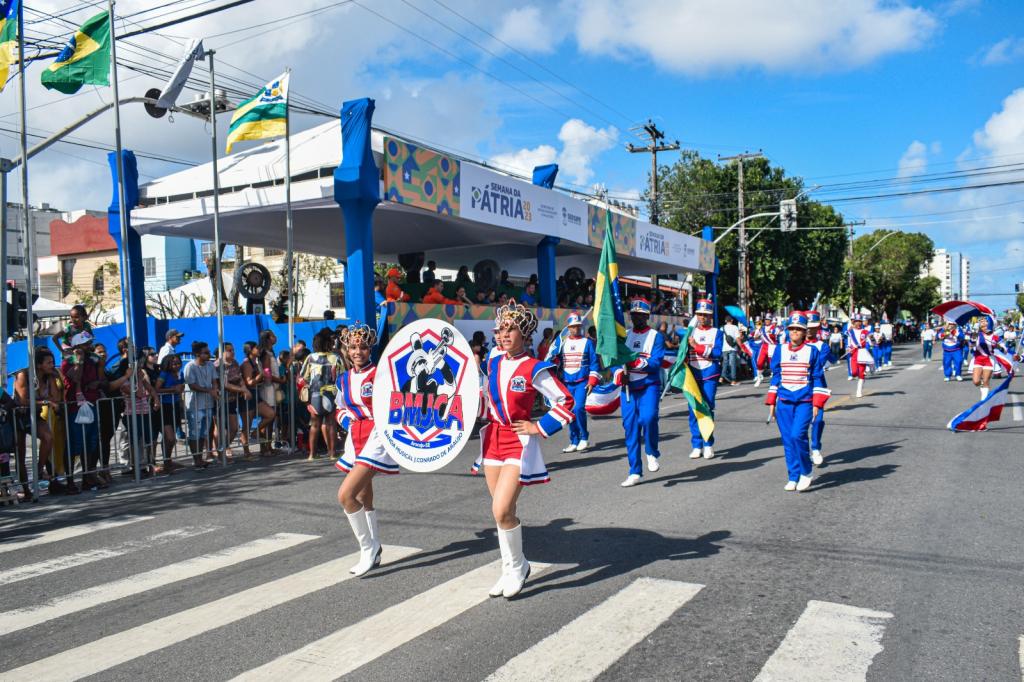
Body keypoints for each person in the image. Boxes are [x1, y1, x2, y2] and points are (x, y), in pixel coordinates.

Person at [480, 300, 574, 598]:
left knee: (501, 509)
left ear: (524, 334)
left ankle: (518, 566)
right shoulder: (493, 361)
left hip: (517, 441)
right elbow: (484, 397)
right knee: (501, 512)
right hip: (492, 438)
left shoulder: (535, 368)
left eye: (510, 330)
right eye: (500, 330)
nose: (503, 335)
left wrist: (539, 427)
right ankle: (510, 567)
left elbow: (566, 401)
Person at [334, 323, 394, 577]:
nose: (358, 352)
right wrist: (347, 421)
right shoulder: (343, 379)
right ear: (347, 350)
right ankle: (375, 546)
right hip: (355, 436)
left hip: (377, 435)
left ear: (370, 349)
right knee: (363, 496)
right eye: (353, 347)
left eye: (363, 347)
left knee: (345, 495)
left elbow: (395, 403)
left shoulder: (380, 375)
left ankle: (367, 547)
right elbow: (340, 409)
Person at [765, 312, 829, 492]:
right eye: (792, 328)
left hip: (804, 401)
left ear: (804, 332)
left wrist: (817, 403)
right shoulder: (779, 350)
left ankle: (806, 471)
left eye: (798, 329)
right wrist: (772, 400)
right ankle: (793, 476)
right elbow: (776, 376)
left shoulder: (812, 351)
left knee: (797, 435)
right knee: (787, 440)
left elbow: (817, 377)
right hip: (784, 401)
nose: (794, 332)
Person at [617, 298, 666, 487]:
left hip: (648, 385)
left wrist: (635, 362)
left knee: (648, 418)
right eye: (634, 314)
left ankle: (651, 451)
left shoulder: (656, 336)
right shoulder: (624, 336)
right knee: (630, 429)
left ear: (647, 316)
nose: (637, 317)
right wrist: (618, 373)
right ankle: (634, 471)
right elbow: (614, 359)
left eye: (641, 315)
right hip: (628, 388)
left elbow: (656, 362)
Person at [60, 331, 106, 494]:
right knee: (75, 444)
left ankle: (87, 478)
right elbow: (76, 378)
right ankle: (70, 481)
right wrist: (78, 361)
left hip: (91, 404)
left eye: (89, 344)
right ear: (77, 346)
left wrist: (96, 383)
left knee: (90, 442)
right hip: (75, 407)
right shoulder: (67, 362)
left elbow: (101, 380)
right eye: (86, 344)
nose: (89, 347)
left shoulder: (92, 361)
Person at [12, 349, 60, 499]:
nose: (52, 365)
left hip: (35, 414)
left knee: (48, 437)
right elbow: (22, 400)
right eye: (49, 363)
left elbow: (56, 398)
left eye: (53, 362)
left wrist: (54, 378)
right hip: (19, 416)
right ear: (39, 365)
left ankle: (39, 470)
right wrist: (45, 402)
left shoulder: (48, 377)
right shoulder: (23, 375)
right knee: (20, 454)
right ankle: (26, 489)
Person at [553, 314, 600, 453]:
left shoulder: (587, 342)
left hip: (582, 382)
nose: (576, 329)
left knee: (579, 408)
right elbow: (556, 360)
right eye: (573, 327)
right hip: (567, 383)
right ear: (568, 328)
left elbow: (594, 363)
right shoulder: (562, 343)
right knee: (569, 412)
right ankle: (574, 440)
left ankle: (584, 437)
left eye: (578, 326)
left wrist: (592, 381)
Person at [684, 299, 723, 460]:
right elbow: (683, 352)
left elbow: (717, 353)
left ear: (710, 316)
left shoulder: (717, 332)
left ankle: (708, 443)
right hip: (693, 374)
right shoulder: (690, 331)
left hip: (709, 374)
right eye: (700, 314)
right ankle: (696, 445)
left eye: (705, 315)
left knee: (707, 408)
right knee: (693, 409)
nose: (702, 317)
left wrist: (696, 346)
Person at [300, 329, 342, 461]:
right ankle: (332, 453)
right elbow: (342, 375)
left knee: (314, 425)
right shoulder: (335, 357)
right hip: (330, 393)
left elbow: (303, 376)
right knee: (331, 423)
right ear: (328, 343)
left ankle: (312, 454)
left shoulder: (310, 358)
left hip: (314, 394)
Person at [183, 341, 219, 469]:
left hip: (208, 404)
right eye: (206, 353)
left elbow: (214, 380)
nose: (209, 354)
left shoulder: (210, 365)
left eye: (208, 352)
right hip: (195, 405)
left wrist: (214, 389)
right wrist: (209, 390)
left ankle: (200, 458)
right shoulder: (190, 366)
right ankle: (196, 459)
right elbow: (192, 385)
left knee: (204, 432)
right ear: (198, 354)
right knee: (195, 433)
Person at [804, 311, 834, 466]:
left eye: (813, 327)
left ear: (818, 328)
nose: (810, 330)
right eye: (807, 326)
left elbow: (816, 365)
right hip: (797, 387)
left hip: (816, 385)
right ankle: (803, 452)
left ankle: (815, 448)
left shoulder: (823, 346)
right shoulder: (791, 345)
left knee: (817, 420)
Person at [215, 342, 248, 463]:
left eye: (233, 350)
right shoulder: (218, 365)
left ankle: (223, 449)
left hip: (232, 400)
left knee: (234, 428)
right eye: (229, 350)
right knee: (221, 429)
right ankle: (220, 454)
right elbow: (225, 384)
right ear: (222, 352)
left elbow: (240, 378)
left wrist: (243, 388)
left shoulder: (235, 363)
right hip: (220, 401)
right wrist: (242, 390)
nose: (233, 352)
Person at [154, 354, 186, 474]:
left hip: (175, 405)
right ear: (168, 364)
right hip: (165, 407)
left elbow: (181, 387)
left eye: (178, 363)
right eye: (174, 363)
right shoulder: (164, 374)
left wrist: (180, 389)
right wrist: (172, 389)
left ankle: (167, 461)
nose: (177, 365)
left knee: (168, 438)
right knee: (170, 438)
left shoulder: (180, 373)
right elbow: (156, 389)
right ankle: (166, 461)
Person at [970, 316, 1003, 400]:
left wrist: (998, 346)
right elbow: (972, 345)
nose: (983, 323)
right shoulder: (976, 334)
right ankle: (983, 387)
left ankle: (983, 400)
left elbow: (1005, 350)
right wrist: (973, 337)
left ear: (990, 323)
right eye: (981, 322)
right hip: (978, 359)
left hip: (989, 360)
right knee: (976, 381)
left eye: (985, 321)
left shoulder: (995, 337)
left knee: (986, 381)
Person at [845, 314, 873, 398]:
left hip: (862, 352)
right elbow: (849, 343)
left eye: (860, 321)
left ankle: (859, 390)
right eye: (856, 321)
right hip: (854, 353)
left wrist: (871, 339)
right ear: (854, 322)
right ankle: (861, 379)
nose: (858, 323)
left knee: (861, 372)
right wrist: (848, 348)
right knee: (854, 373)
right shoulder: (850, 332)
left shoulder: (865, 332)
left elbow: (872, 342)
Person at [721, 315, 740, 386]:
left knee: (725, 363)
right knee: (732, 364)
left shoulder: (722, 328)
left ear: (725, 321)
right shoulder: (735, 327)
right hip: (733, 348)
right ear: (732, 320)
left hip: (724, 348)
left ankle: (721, 377)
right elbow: (737, 338)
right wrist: (741, 347)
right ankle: (733, 380)